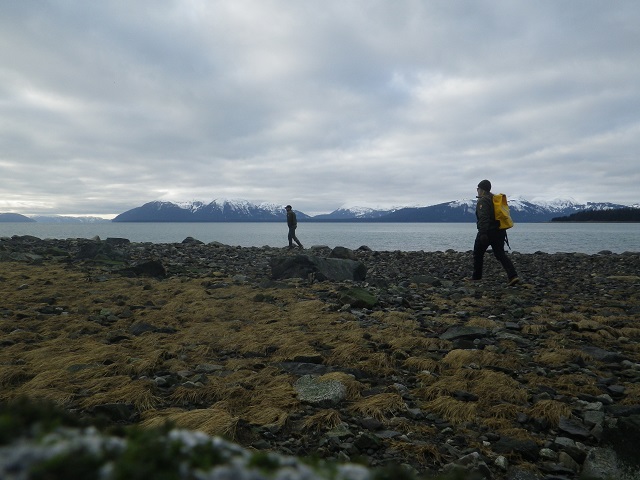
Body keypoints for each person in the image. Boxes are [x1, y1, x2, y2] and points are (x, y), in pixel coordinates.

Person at [471, 180, 520, 285]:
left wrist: (483, 233)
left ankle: (476, 277)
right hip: (500, 231)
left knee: (478, 253)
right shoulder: (494, 199)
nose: (477, 191)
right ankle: (513, 276)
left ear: (482, 190)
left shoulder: (483, 201)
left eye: (478, 189)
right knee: (500, 254)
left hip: (487, 232)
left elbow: (483, 218)